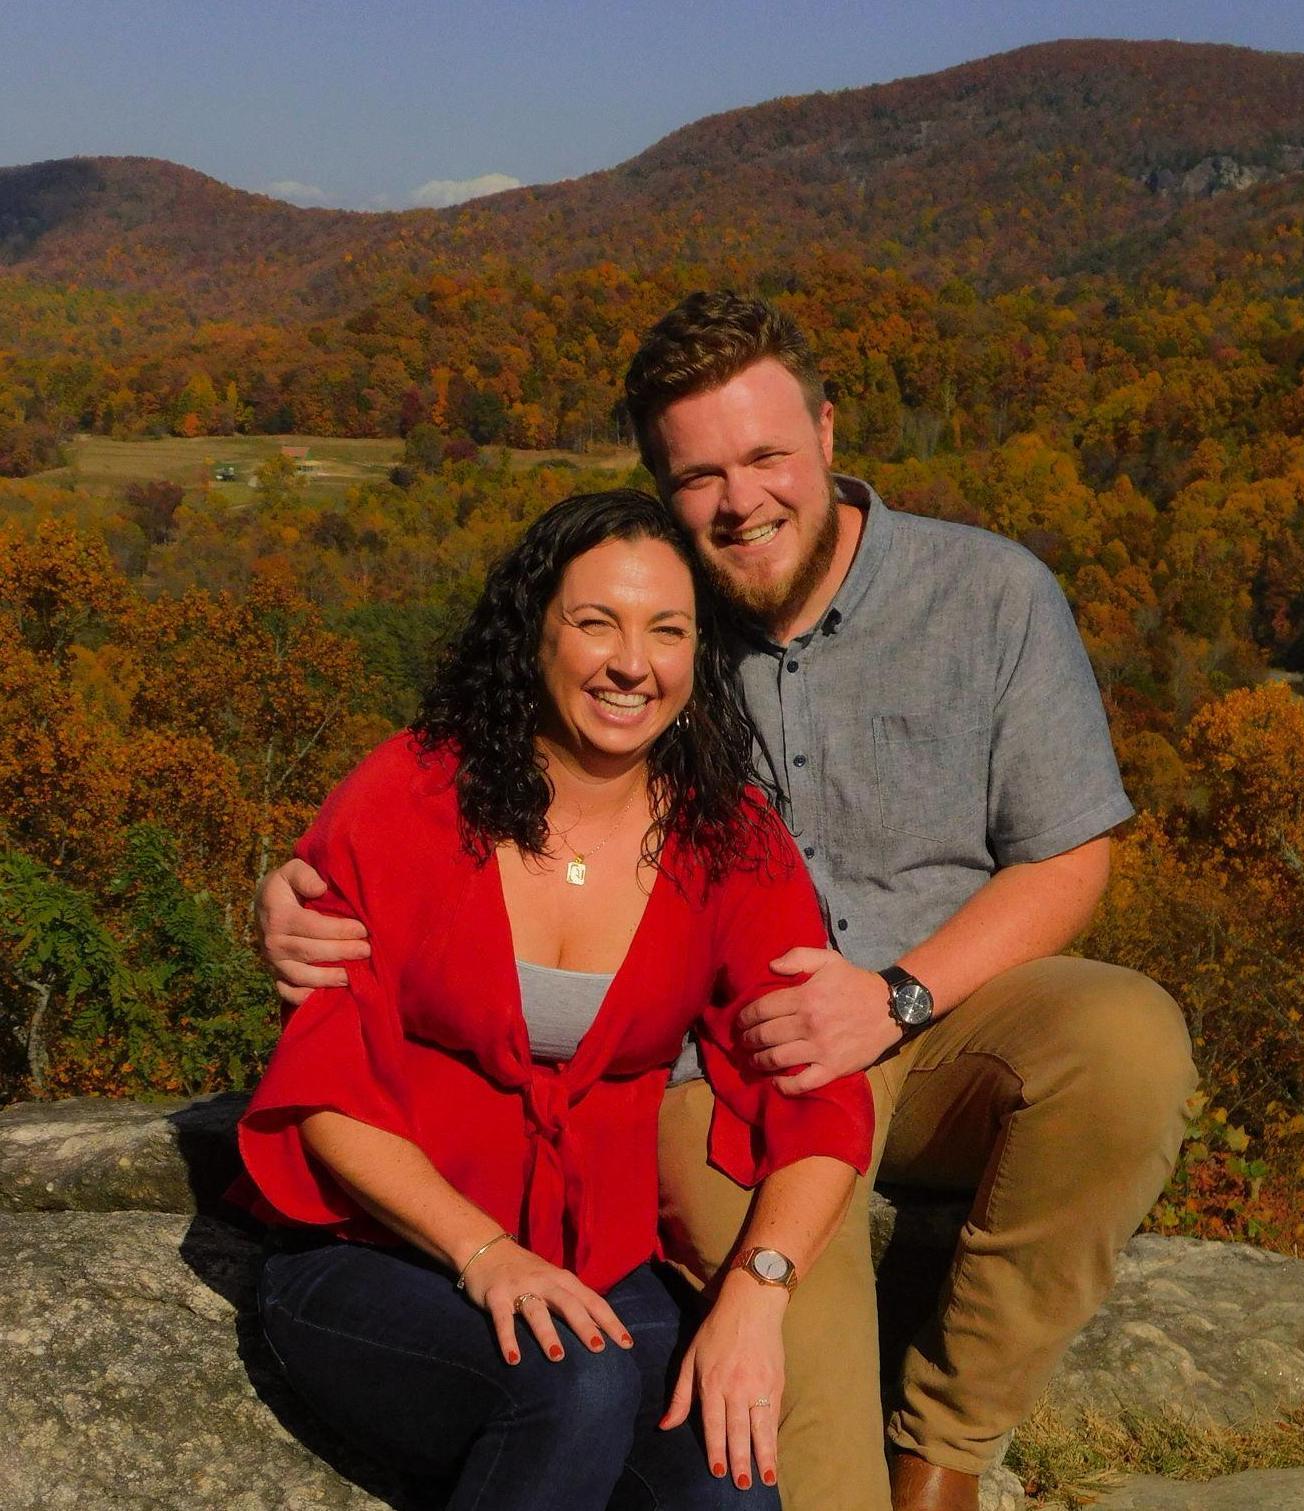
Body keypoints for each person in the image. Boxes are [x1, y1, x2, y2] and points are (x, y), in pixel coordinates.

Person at [260, 295, 1199, 1511]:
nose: (739, 499)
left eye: (764, 456)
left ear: (825, 431)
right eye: (697, 473)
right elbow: (427, 823)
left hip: (940, 1009)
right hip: (727, 1072)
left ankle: (945, 1450)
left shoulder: (987, 596)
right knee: (772, 1464)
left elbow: (1071, 853)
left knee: (1125, 1039)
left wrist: (897, 995)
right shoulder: (642, 658)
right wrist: (283, 886)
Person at [240, 488, 874, 1511]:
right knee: (570, 1387)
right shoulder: (407, 796)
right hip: (374, 1254)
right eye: (596, 623)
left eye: (667, 630)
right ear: (533, 631)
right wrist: (483, 1251)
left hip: (600, 1267)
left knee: (728, 1476)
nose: (634, 662)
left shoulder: (727, 841)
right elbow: (327, 1087)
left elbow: (814, 1091)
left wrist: (756, 1291)